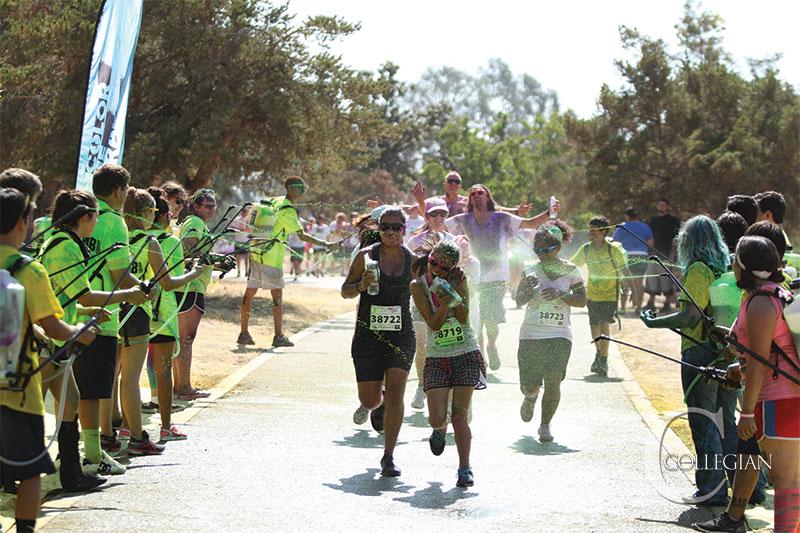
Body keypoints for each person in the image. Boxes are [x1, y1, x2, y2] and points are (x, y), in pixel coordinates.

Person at [0, 187, 97, 532]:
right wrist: (80, 332)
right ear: (23, 222)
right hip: (18, 389)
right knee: (30, 471)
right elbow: (53, 325)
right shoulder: (29, 270)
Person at [39, 189, 148, 486]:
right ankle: (34, 471)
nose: (98, 223)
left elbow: (67, 296)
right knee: (34, 405)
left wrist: (91, 313)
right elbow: (81, 294)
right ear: (84, 217)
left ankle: (72, 470)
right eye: (95, 217)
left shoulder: (63, 242)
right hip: (50, 337)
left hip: (57, 333)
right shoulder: (65, 247)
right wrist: (128, 295)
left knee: (70, 398)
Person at [696, 236, 800, 533]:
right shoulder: (771, 295)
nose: (732, 264)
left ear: (744, 266)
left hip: (781, 399)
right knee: (789, 479)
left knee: (786, 480)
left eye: (735, 259)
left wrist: (748, 412)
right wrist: (735, 365)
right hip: (786, 397)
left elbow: (759, 362)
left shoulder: (762, 303)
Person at [641, 215, 736, 506]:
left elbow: (690, 317)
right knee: (728, 422)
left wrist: (652, 322)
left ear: (688, 241)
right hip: (728, 354)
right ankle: (750, 485)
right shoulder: (728, 267)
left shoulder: (697, 269)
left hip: (700, 354)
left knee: (704, 421)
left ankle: (712, 490)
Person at [118, 188, 207, 454]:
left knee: (126, 375)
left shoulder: (124, 240)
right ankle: (166, 426)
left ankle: (125, 425)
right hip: (162, 315)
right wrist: (195, 273)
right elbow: (171, 283)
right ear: (157, 215)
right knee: (163, 369)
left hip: (126, 313)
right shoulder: (166, 243)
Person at [445, 184, 554, 371]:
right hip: (471, 277)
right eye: (473, 194)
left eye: (481, 193)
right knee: (476, 318)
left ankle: (491, 345)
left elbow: (530, 223)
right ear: (470, 200)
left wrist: (549, 212)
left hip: (496, 277)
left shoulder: (501, 218)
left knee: (492, 318)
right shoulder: (463, 220)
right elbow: (436, 222)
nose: (477, 196)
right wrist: (422, 203)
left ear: (488, 197)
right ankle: (480, 356)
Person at [341, 207, 416, 477]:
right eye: (386, 228)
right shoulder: (365, 257)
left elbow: (430, 285)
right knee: (370, 399)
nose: (391, 233)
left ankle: (389, 456)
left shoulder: (413, 261)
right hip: (368, 337)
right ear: (379, 229)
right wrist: (361, 284)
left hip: (401, 335)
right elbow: (345, 291)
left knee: (397, 392)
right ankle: (377, 401)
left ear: (405, 229)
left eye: (397, 227)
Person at [410, 240, 485, 487]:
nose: (434, 267)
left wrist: (452, 291)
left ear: (452, 267)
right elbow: (433, 324)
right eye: (432, 260)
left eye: (441, 265)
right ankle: (438, 429)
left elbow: (463, 317)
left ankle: (465, 468)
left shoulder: (461, 281)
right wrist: (444, 298)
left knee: (460, 416)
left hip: (465, 352)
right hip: (436, 357)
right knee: (436, 418)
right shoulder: (418, 286)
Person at [238, 177, 336, 347]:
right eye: (302, 189)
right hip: (271, 256)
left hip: (256, 251)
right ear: (293, 189)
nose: (303, 192)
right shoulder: (287, 209)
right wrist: (326, 244)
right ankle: (278, 336)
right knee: (277, 297)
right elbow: (302, 235)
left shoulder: (275, 200)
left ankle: (244, 333)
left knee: (250, 292)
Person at [145, 187, 210, 441]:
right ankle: (180, 389)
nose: (178, 208)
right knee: (183, 341)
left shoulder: (156, 237)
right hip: (178, 294)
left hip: (170, 297)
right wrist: (202, 266)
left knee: (163, 350)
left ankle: (157, 401)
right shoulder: (178, 231)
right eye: (177, 202)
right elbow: (187, 254)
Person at [514, 222, 586, 442]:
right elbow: (518, 300)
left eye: (546, 249)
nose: (542, 254)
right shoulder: (529, 269)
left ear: (558, 248)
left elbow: (582, 300)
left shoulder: (572, 271)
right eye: (538, 250)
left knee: (554, 381)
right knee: (530, 384)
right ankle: (530, 396)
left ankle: (545, 425)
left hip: (559, 335)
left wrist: (560, 295)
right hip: (531, 335)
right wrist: (527, 288)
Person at [407, 197, 455, 409]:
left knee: (445, 346)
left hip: (446, 301)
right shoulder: (414, 241)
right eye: (433, 214)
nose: (438, 218)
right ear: (426, 216)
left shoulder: (454, 241)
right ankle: (421, 386)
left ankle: (448, 395)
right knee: (421, 344)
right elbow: (409, 270)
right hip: (420, 299)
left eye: (442, 214)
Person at [571, 216, 630, 377]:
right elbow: (572, 265)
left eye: (594, 230)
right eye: (589, 230)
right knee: (594, 326)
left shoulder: (613, 250)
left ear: (604, 232)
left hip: (610, 294)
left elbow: (625, 270)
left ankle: (603, 359)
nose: (590, 233)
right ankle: (598, 353)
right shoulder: (586, 249)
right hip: (592, 294)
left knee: (604, 324)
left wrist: (631, 288)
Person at [176, 188, 217, 400]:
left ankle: (180, 385)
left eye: (213, 206)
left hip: (193, 286)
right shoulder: (194, 223)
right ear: (196, 206)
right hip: (190, 288)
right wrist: (212, 259)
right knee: (186, 339)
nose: (211, 210)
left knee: (182, 339)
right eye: (207, 206)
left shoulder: (195, 223)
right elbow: (189, 249)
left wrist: (216, 259)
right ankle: (184, 387)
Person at [412, 171, 532, 218]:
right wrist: (420, 200)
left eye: (457, 181)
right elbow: (420, 212)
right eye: (450, 181)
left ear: (460, 186)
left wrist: (516, 211)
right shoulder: (435, 202)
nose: (453, 184)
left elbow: (495, 209)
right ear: (445, 184)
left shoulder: (468, 202)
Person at [611, 207, 652, 314]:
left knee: (625, 282)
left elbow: (614, 242)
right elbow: (651, 242)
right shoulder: (644, 226)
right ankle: (638, 308)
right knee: (639, 282)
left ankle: (623, 308)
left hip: (626, 256)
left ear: (627, 216)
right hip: (641, 255)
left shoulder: (623, 226)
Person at [645, 198, 681, 311]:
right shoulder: (653, 221)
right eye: (659, 205)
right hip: (652, 255)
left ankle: (666, 305)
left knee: (666, 280)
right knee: (651, 279)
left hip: (666, 255)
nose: (661, 207)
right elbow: (649, 238)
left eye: (663, 205)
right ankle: (650, 303)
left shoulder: (673, 221)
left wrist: (673, 254)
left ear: (667, 206)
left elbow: (676, 239)